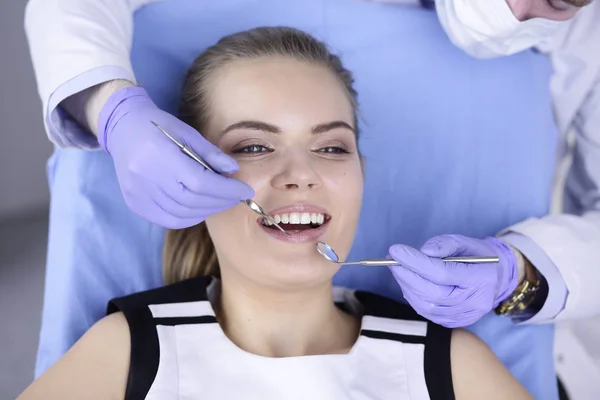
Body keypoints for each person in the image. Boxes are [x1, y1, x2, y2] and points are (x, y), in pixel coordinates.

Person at [22, 0, 600, 398]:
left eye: (331, 148)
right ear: (186, 172)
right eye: (252, 145)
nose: (300, 175)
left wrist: (520, 272)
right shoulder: (127, 350)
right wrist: (111, 112)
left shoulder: (451, 363)